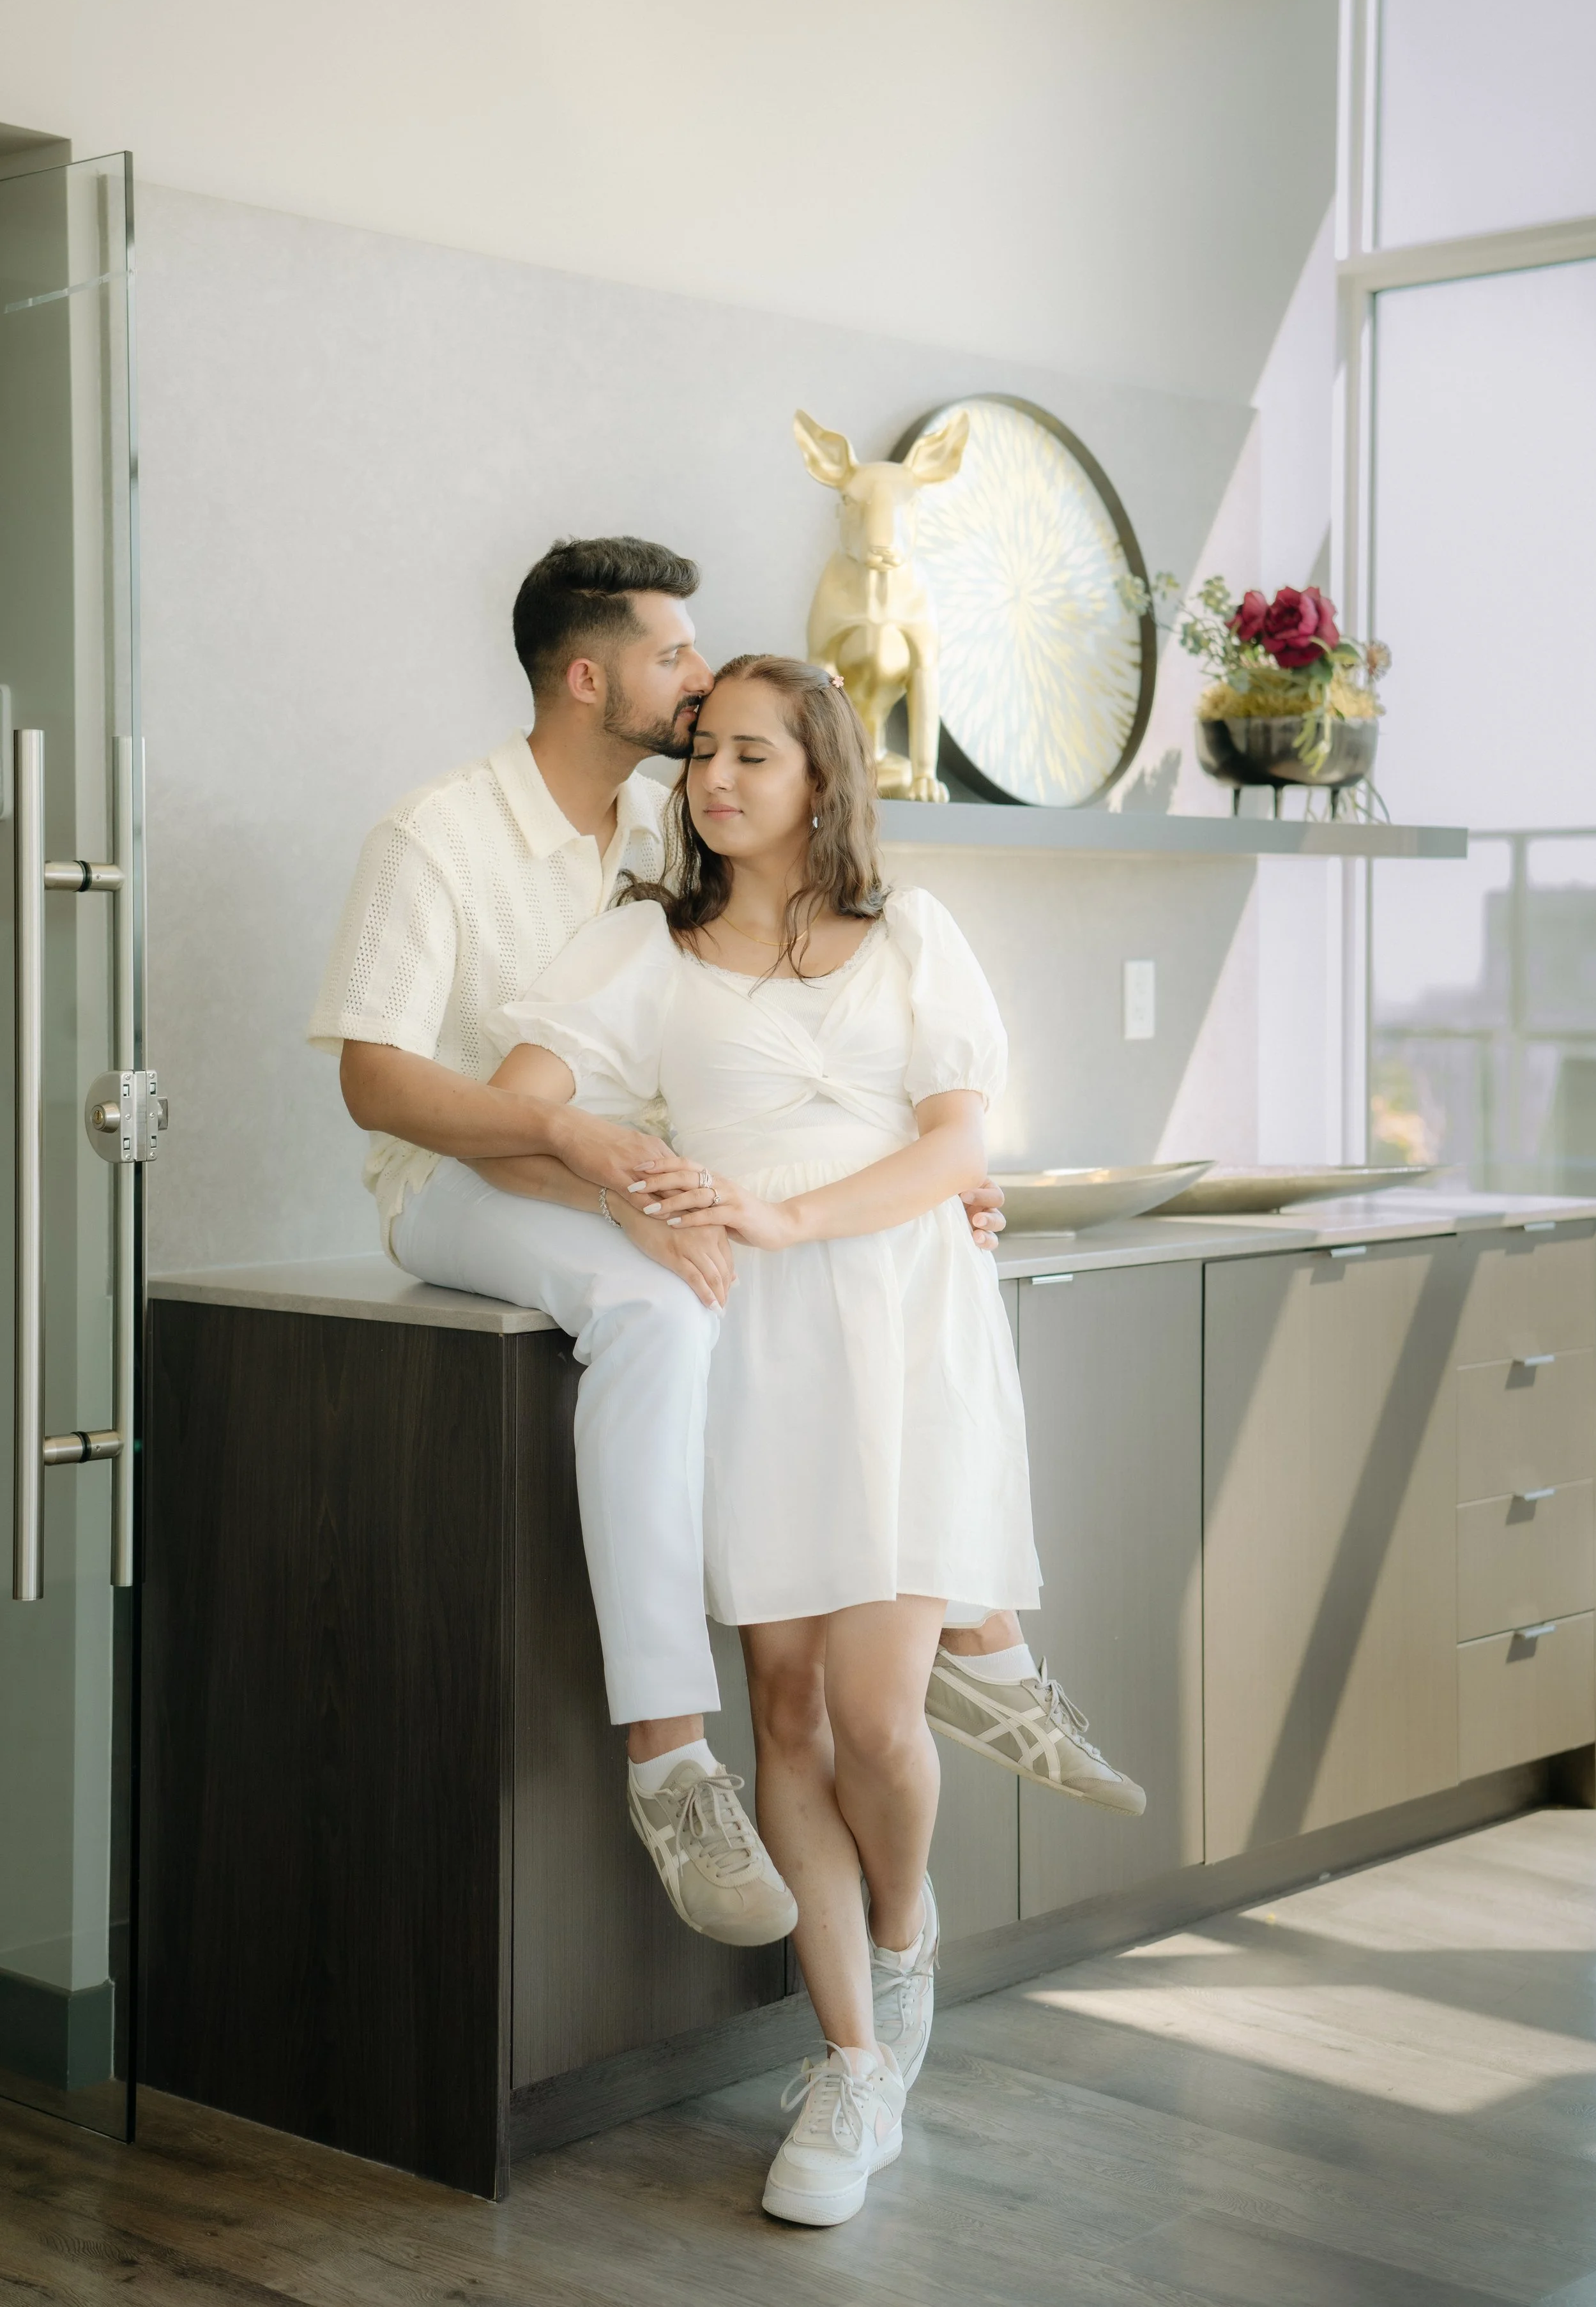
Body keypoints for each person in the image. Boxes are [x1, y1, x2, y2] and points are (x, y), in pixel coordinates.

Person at [309, 539, 1140, 1958]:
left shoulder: (666, 828)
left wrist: (930, 1185)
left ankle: (972, 1638)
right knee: (660, 1314)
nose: (698, 699)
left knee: (765, 1300)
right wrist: (585, 1166)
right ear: (590, 676)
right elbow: (377, 1087)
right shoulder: (434, 835)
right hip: (458, 1176)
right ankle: (670, 1760)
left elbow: (757, 1041)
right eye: (673, 660)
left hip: (642, 1184)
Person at [478, 655, 1040, 2226]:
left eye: (750, 756)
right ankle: (850, 2061)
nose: (713, 780)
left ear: (819, 777)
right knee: (782, 1705)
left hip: (895, 1345)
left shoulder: (911, 934)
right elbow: (515, 1117)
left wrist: (796, 1209)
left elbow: (957, 1141)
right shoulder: (633, 948)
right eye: (700, 755)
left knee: (875, 1718)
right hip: (751, 1349)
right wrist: (614, 1187)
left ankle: (904, 1927)